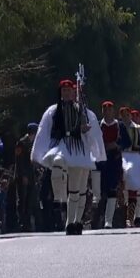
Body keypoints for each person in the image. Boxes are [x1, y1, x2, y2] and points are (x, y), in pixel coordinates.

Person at [31, 79, 106, 235]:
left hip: (78, 148)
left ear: (74, 92)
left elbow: (91, 132)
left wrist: (86, 132)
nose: (66, 93)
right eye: (63, 91)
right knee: (57, 163)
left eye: (69, 90)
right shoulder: (53, 110)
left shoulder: (82, 110)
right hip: (62, 145)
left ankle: (72, 222)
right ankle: (59, 199)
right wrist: (37, 152)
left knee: (76, 188)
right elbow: (43, 131)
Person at [117, 107, 140, 228]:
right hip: (121, 156)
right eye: (123, 115)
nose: (126, 117)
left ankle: (130, 217)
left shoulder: (139, 129)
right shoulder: (118, 127)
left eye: (127, 115)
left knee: (133, 186)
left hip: (135, 157)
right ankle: (120, 215)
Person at [97, 101, 123, 229]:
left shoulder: (119, 126)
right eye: (105, 109)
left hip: (114, 160)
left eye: (110, 109)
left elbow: (127, 142)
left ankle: (108, 220)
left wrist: (116, 145)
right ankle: (97, 218)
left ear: (113, 111)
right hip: (102, 161)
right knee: (100, 191)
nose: (107, 112)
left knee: (112, 190)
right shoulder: (98, 125)